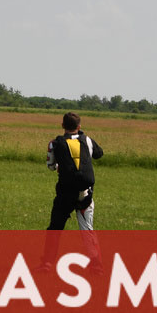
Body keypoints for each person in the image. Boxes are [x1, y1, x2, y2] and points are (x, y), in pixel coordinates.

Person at [42, 112, 104, 270]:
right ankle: (96, 265)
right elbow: (99, 154)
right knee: (87, 229)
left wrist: (60, 166)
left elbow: (51, 166)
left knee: (55, 228)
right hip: (85, 193)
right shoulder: (87, 140)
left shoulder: (55, 143)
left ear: (62, 125)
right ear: (79, 126)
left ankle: (48, 263)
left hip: (65, 193)